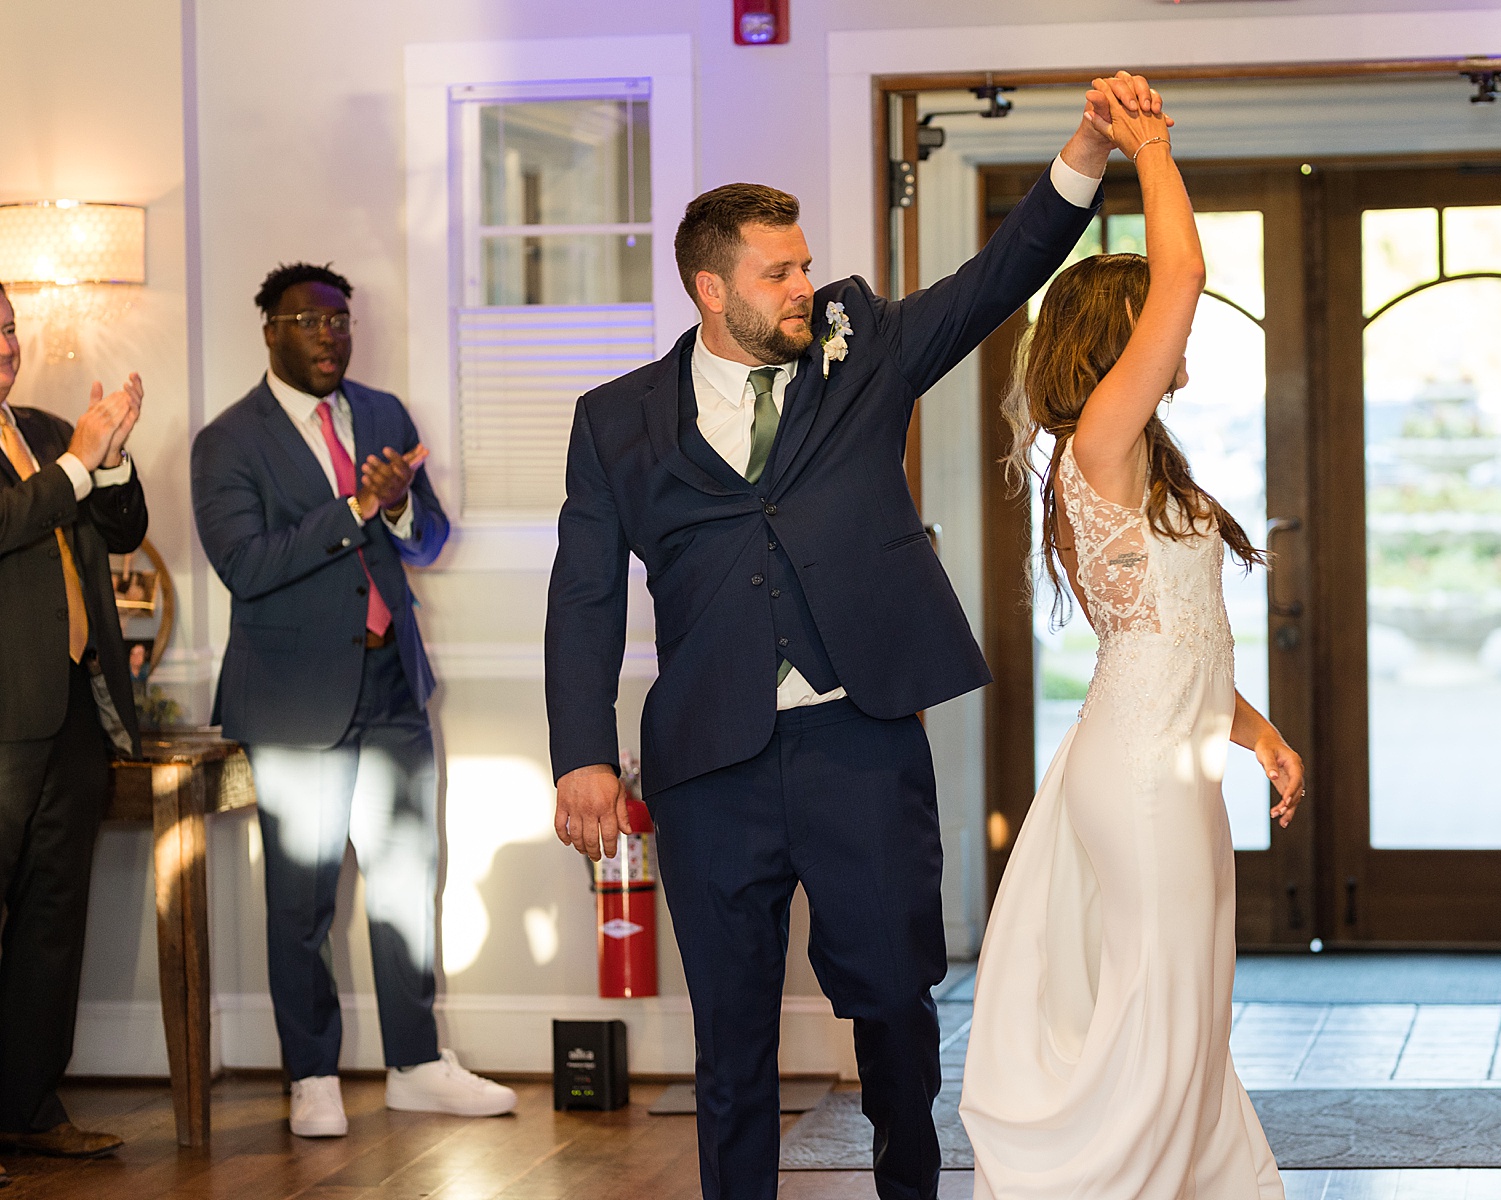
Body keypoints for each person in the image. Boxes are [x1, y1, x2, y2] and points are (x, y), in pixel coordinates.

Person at [546, 71, 1171, 1200]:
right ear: (709, 286)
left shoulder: (864, 344)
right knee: (729, 1036)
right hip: (707, 767)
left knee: (891, 999)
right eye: (776, 271)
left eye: (802, 263)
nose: (802, 285)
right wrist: (583, 756)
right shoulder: (615, 420)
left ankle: (910, 1182)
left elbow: (1002, 275)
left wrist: (1088, 149)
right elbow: (584, 592)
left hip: (859, 741)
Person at [956, 78, 1305, 1199]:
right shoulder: (1098, 440)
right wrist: (1148, 149)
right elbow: (1187, 274)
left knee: (1193, 998)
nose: (1178, 326)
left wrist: (1256, 733)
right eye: (1152, 321)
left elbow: (1174, 631)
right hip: (1142, 773)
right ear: (1121, 344)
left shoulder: (1146, 462)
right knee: (1159, 995)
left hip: (1178, 756)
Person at [190, 263, 515, 1138]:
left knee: (409, 886)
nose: (331, 336)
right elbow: (246, 567)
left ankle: (415, 1064)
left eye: (341, 322)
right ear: (270, 331)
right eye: (310, 322)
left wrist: (402, 507)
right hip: (295, 701)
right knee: (301, 902)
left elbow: (430, 535)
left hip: (391, 683)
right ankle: (312, 1077)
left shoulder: (382, 415)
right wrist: (357, 504)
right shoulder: (228, 442)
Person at [0, 280, 147, 1170]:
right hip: (3, 721)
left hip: (74, 715)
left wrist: (113, 457)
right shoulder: (61, 457)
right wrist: (75, 471)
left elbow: (123, 530)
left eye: (9, 330)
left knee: (54, 920)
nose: (5, 348)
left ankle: (27, 1106)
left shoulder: (55, 431)